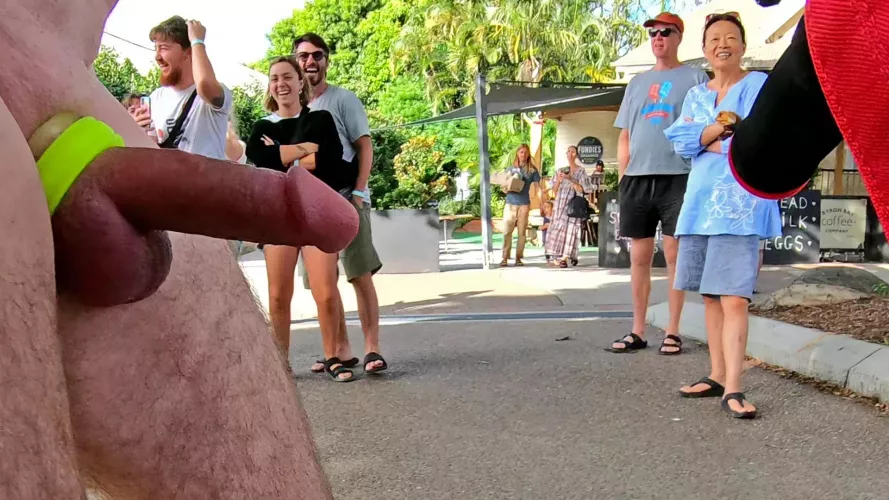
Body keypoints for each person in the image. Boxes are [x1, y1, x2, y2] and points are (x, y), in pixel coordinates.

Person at [0, 2, 340, 497]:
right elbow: (254, 152)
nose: (157, 53)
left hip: (194, 224)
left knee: (299, 302)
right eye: (155, 45)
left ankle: (342, 352)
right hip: (133, 199)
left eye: (167, 46)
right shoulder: (150, 98)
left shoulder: (210, 96)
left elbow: (216, 100)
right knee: (267, 305)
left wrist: (200, 42)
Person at [663, 12, 780, 419]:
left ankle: (735, 387)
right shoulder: (697, 94)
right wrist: (720, 132)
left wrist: (705, 138)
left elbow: (758, 139)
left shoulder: (757, 86)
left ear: (744, 46)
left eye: (731, 37)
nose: (722, 44)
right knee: (710, 296)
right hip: (699, 206)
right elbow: (679, 141)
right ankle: (715, 375)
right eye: (714, 39)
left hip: (741, 207)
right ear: (705, 48)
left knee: (734, 298)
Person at [246, 56, 359, 382]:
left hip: (316, 213)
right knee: (278, 296)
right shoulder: (262, 128)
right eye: (274, 78)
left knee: (325, 291)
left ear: (300, 83)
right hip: (278, 217)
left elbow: (331, 163)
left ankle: (333, 356)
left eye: (286, 77)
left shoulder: (321, 118)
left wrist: (283, 152)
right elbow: (263, 161)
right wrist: (304, 150)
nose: (280, 84)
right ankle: (280, 364)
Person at [609, 12, 710, 355]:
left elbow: (705, 128)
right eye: (653, 33)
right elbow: (625, 133)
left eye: (665, 32)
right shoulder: (636, 83)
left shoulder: (696, 77)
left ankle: (673, 329)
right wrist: (623, 175)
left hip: (678, 177)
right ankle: (637, 330)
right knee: (639, 256)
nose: (658, 38)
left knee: (673, 254)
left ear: (679, 36)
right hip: (637, 179)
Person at [293, 33, 387, 375]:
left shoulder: (343, 100)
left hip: (347, 198)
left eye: (317, 55)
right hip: (311, 207)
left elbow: (364, 145)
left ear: (326, 61)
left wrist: (360, 191)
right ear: (295, 61)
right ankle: (337, 350)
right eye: (304, 56)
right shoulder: (290, 107)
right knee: (322, 283)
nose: (310, 62)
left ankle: (372, 349)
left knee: (359, 274)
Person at [131, 16, 233, 160]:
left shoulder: (211, 94)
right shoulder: (155, 98)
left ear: (188, 52)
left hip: (205, 182)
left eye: (164, 48)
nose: (157, 56)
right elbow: (154, 152)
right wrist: (138, 131)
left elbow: (204, 84)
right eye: (156, 48)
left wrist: (197, 41)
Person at [545, 146, 595, 268]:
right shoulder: (560, 170)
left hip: (573, 204)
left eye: (573, 152)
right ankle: (557, 254)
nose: (570, 153)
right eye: (569, 151)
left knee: (571, 229)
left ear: (576, 155)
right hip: (560, 203)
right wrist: (559, 180)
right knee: (558, 228)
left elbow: (585, 189)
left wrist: (570, 179)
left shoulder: (581, 171)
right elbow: (554, 190)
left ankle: (565, 257)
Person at [500, 144, 546, 267]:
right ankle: (505, 257)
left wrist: (542, 201)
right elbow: (503, 185)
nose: (523, 155)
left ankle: (518, 258)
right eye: (521, 152)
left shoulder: (532, 170)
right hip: (510, 203)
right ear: (517, 153)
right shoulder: (510, 169)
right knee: (507, 231)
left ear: (528, 154)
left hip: (524, 204)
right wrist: (506, 187)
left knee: (522, 232)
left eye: (525, 152)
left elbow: (537, 187)